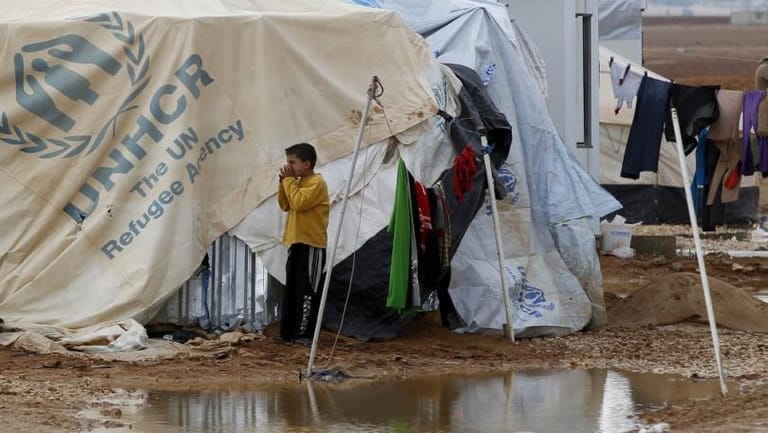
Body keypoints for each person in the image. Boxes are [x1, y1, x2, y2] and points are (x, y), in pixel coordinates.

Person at [277, 143, 329, 344]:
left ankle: (304, 333)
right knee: (291, 288)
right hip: (296, 242)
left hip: (312, 245)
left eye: (292, 162)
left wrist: (289, 182)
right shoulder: (295, 182)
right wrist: (284, 183)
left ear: (307, 164)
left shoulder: (317, 183)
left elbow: (299, 203)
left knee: (307, 291)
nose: (288, 166)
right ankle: (287, 333)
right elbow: (285, 204)